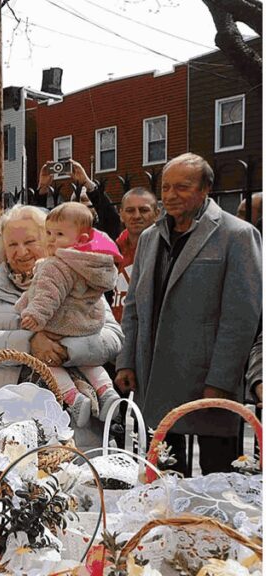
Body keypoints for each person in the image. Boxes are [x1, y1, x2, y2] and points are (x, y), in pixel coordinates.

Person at [115, 153, 262, 475]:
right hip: (154, 379)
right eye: (166, 187)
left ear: (206, 188)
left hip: (207, 382)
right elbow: (135, 307)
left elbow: (242, 318)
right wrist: (126, 360)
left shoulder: (237, 235)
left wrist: (221, 381)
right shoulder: (151, 238)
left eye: (182, 187)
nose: (170, 195)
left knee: (218, 482)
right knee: (163, 478)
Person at [0, 205, 123, 396]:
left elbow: (113, 338)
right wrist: (29, 343)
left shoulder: (80, 282)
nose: (21, 252)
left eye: (30, 241)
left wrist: (66, 349)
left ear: (50, 239)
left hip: (72, 414)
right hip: (7, 411)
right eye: (12, 245)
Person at [16, 202, 123, 426]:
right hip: (86, 326)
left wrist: (34, 314)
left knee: (48, 363)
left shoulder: (56, 265)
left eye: (59, 234)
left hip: (59, 325)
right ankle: (106, 390)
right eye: (48, 233)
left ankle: (73, 398)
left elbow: (47, 294)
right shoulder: (92, 263)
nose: (52, 239)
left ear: (81, 239)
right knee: (90, 363)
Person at [112, 187, 160, 322]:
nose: (137, 216)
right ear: (121, 214)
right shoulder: (114, 251)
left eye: (144, 210)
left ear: (157, 213)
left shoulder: (165, 251)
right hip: (116, 334)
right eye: (130, 210)